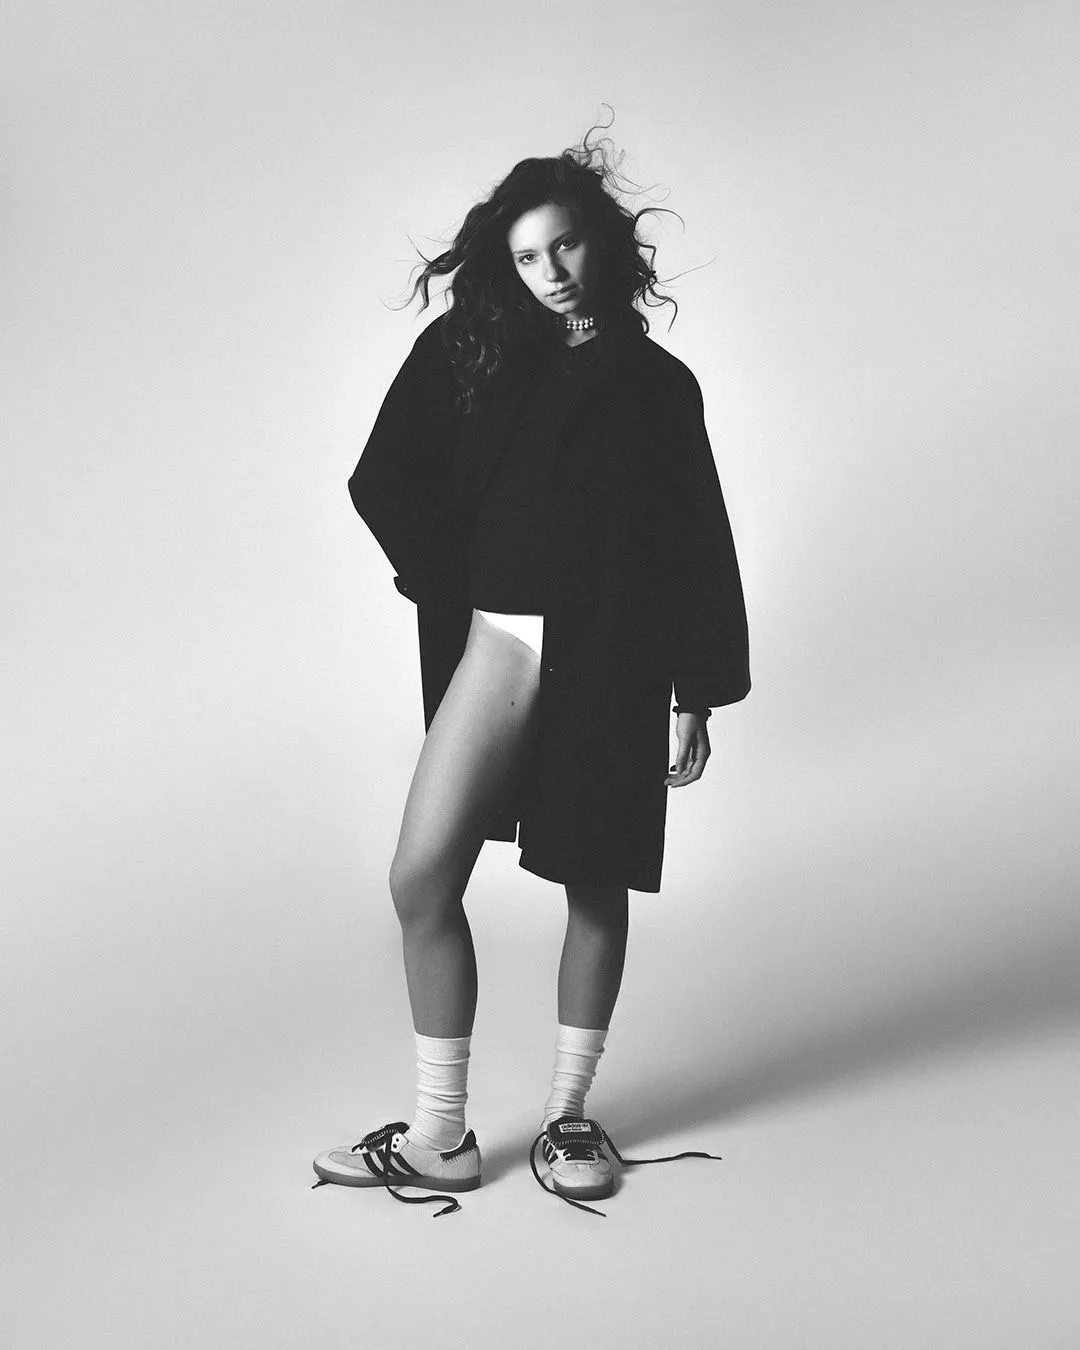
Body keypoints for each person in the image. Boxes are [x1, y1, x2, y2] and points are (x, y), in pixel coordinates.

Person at [312, 119, 750, 1218]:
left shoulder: (659, 385)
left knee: (593, 881)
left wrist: (696, 688)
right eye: (525, 256)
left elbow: (697, 537)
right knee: (421, 879)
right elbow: (381, 478)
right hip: (503, 640)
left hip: (617, 654)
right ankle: (440, 1136)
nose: (549, 271)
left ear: (602, 242)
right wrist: (452, 583)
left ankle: (567, 1115)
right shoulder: (471, 353)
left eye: (564, 246)